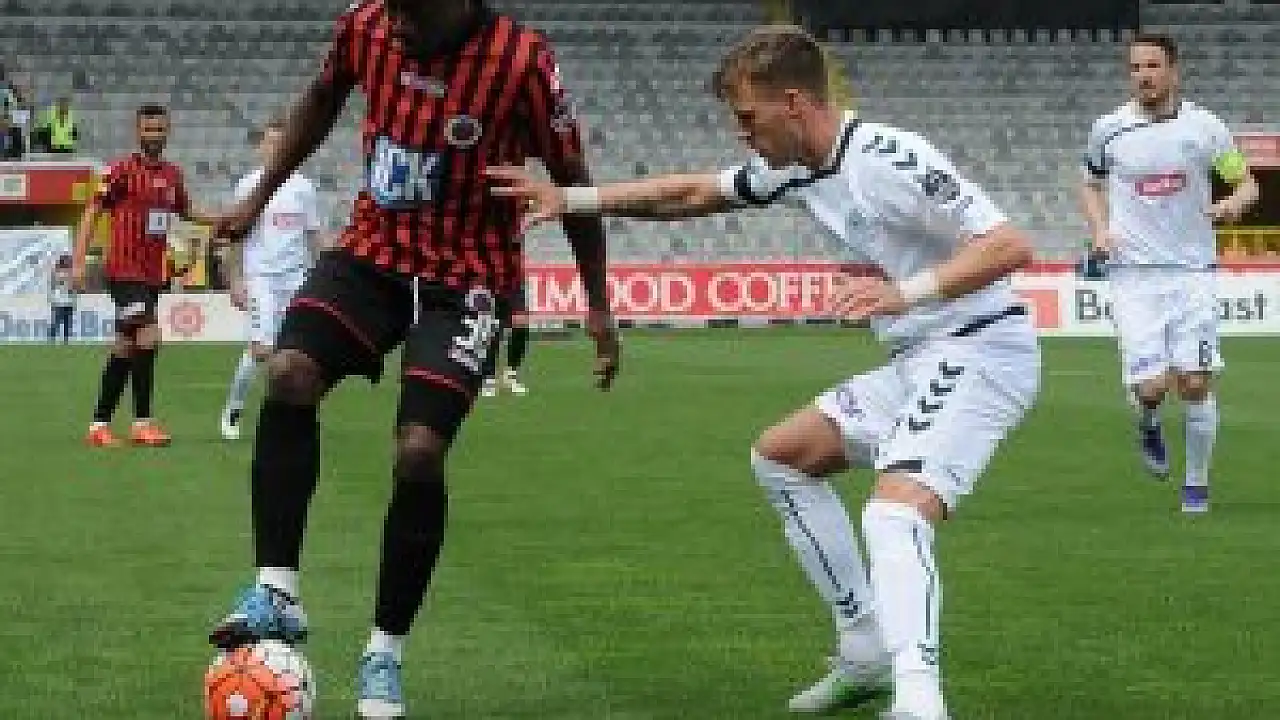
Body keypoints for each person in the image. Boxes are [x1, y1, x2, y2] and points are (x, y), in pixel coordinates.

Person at [489, 25, 1039, 720]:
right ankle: (865, 650)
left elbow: (1009, 244)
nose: (742, 133)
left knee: (894, 516)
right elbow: (692, 193)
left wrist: (905, 293)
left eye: (748, 118)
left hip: (980, 350)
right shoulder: (797, 168)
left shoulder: (888, 157)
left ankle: (920, 702)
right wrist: (572, 201)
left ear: (794, 104)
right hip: (920, 359)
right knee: (782, 458)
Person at [205, 2, 619, 717]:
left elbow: (572, 175)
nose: (394, 22)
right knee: (290, 372)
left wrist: (599, 303)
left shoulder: (522, 60)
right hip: (373, 254)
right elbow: (320, 101)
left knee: (420, 452)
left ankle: (383, 654)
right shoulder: (365, 24)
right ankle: (277, 590)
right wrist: (261, 194)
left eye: (409, 8)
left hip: (469, 277)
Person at [1077, 33, 1258, 513]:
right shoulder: (1109, 130)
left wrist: (1233, 204)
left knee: (1195, 382)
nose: (1143, 76)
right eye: (1135, 68)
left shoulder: (1206, 129)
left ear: (1174, 71)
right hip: (1133, 275)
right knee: (1152, 388)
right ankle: (1149, 421)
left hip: (1193, 271)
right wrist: (1099, 230)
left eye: (1152, 66)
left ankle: (1196, 486)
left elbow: (1246, 183)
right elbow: (1089, 185)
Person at [72, 103, 212, 447]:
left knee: (125, 346)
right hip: (123, 271)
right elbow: (92, 211)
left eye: (160, 129)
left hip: (151, 275)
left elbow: (186, 210)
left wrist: (223, 220)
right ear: (137, 132)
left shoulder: (173, 175)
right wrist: (78, 262)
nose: (154, 136)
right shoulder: (120, 171)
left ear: (168, 132)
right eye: (148, 130)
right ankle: (142, 422)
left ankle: (99, 426)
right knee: (148, 335)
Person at [220, 119, 322, 440]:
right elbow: (235, 235)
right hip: (261, 277)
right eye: (270, 142)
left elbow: (313, 235)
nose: (276, 148)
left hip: (297, 277)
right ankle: (233, 409)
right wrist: (235, 279)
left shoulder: (304, 188)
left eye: (282, 143)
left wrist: (322, 276)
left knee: (298, 353)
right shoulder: (248, 186)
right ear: (261, 148)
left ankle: (288, 416)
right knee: (262, 349)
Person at [479, 278, 531, 397]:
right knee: (492, 329)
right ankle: (488, 378)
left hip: (513, 283)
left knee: (520, 324)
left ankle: (511, 375)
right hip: (490, 282)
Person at [48, 253, 76, 343]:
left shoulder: (64, 274)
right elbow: (67, 285)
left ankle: (63, 340)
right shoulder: (60, 274)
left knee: (65, 323)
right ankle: (54, 339)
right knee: (58, 322)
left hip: (66, 301)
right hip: (60, 301)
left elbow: (72, 288)